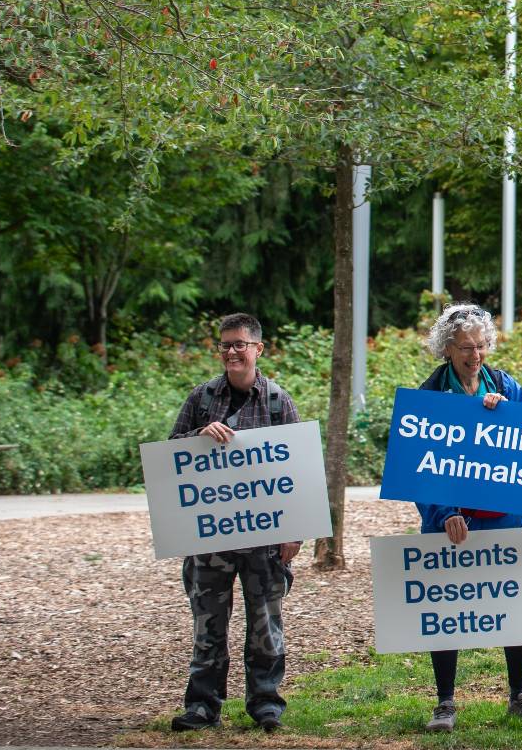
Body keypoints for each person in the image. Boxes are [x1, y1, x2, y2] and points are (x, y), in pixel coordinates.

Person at [414, 304, 522, 732]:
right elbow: (420, 465)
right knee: (448, 607)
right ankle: (445, 702)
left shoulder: (506, 386)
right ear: (447, 350)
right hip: (453, 521)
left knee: (514, 603)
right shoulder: (431, 393)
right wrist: (443, 514)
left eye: (481, 346)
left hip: (504, 515)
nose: (475, 356)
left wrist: (505, 412)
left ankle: (519, 694)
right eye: (465, 348)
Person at [168, 313, 301, 733]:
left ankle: (266, 705)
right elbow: (171, 455)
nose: (230, 352)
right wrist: (197, 438)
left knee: (266, 626)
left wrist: (294, 531)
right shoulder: (201, 399)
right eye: (224, 345)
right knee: (208, 627)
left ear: (258, 349)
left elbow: (296, 471)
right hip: (211, 540)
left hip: (264, 541)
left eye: (239, 344)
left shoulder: (279, 402)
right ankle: (203, 707)